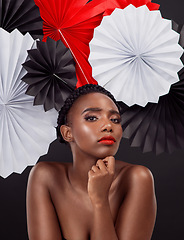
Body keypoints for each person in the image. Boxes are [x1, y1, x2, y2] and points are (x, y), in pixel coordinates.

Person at [26, 84, 157, 240]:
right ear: (67, 133)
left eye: (115, 119)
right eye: (92, 117)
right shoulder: (46, 177)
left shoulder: (137, 178)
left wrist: (100, 202)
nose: (108, 126)